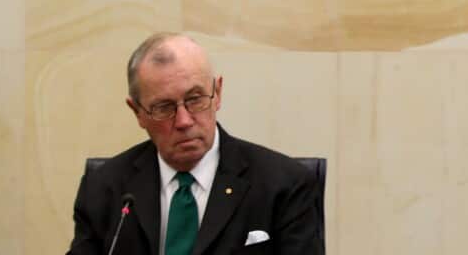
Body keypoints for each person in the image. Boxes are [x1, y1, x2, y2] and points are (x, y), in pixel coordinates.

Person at [67, 33, 321, 254]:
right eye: (164, 107)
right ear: (137, 112)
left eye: (196, 99)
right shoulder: (104, 188)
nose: (184, 121)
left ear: (217, 93)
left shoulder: (284, 185)